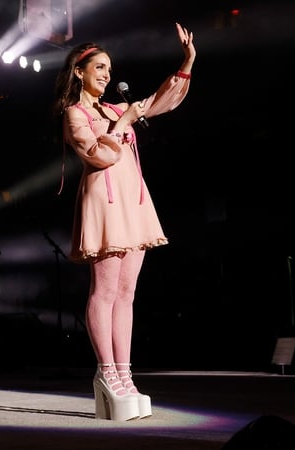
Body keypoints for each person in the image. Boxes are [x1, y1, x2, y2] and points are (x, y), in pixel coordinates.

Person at [52, 22, 196, 421]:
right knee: (105, 290)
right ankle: (106, 372)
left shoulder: (116, 107)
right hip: (104, 200)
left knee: (127, 292)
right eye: (99, 68)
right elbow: (98, 155)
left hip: (133, 201)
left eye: (110, 70)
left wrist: (186, 62)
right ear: (79, 71)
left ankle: (125, 373)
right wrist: (122, 125)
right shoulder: (75, 113)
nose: (107, 75)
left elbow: (160, 101)